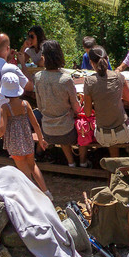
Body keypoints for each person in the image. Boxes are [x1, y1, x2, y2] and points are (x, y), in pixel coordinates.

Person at [33, 40, 86, 168]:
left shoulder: (38, 77)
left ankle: (71, 162)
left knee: (61, 127)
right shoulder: (66, 79)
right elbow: (77, 109)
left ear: (45, 57)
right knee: (84, 127)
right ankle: (83, 162)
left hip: (48, 131)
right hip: (67, 131)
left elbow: (40, 106)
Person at [0, 71, 49, 194]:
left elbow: (2, 129)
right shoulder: (26, 104)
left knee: (24, 172)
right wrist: (40, 140)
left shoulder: (5, 107)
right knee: (33, 166)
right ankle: (46, 191)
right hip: (27, 140)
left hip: (15, 144)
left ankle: (33, 195)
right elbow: (35, 124)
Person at [84, 47, 129, 150]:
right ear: (107, 59)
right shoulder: (119, 77)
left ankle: (114, 156)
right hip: (124, 133)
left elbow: (88, 113)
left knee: (110, 139)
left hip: (103, 136)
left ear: (91, 63)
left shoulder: (89, 81)